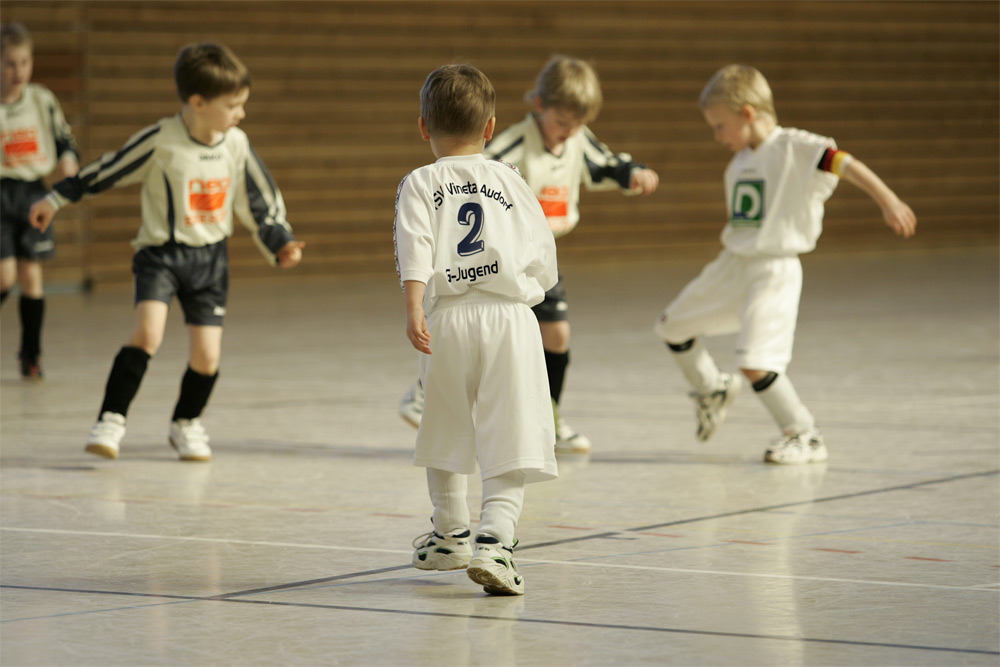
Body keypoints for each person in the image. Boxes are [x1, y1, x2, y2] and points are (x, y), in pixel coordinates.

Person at [29, 42, 305, 462]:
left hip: (210, 261)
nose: (240, 114)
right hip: (160, 256)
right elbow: (108, 168)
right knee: (148, 333)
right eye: (233, 105)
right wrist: (55, 199)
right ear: (198, 102)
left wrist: (280, 242)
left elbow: (260, 201)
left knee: (207, 357)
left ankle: (186, 423)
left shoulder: (237, 144)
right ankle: (111, 419)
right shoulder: (160, 141)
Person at [655, 64, 917, 464]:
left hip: (773, 269)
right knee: (672, 326)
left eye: (720, 125)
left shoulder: (795, 147)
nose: (716, 136)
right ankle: (712, 389)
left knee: (756, 362)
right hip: (733, 264)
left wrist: (889, 200)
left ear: (747, 112)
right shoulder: (739, 161)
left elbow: (845, 163)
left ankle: (804, 433)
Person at [400, 54, 659, 454]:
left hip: (539, 256)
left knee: (556, 335)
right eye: (561, 124)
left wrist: (633, 172)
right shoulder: (510, 146)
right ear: (539, 106)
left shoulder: (577, 140)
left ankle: (550, 417)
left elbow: (605, 163)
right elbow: (471, 167)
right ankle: (424, 392)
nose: (568, 134)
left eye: (577, 127)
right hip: (502, 256)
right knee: (473, 325)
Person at [394, 64, 558, 595]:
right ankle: (496, 541)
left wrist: (415, 305)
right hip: (510, 317)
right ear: (490, 127)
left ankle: (449, 533)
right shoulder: (511, 178)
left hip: (448, 319)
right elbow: (543, 255)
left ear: (423, 127)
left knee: (443, 423)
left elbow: (414, 246)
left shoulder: (419, 181)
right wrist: (520, 297)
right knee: (511, 429)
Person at [1, 22, 80, 379]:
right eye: (9, 64)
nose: (18, 72)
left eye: (24, 62)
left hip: (34, 192)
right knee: (4, 278)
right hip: (1, 193)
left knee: (32, 278)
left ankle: (31, 356)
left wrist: (67, 159)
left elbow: (64, 139)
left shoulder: (42, 100)